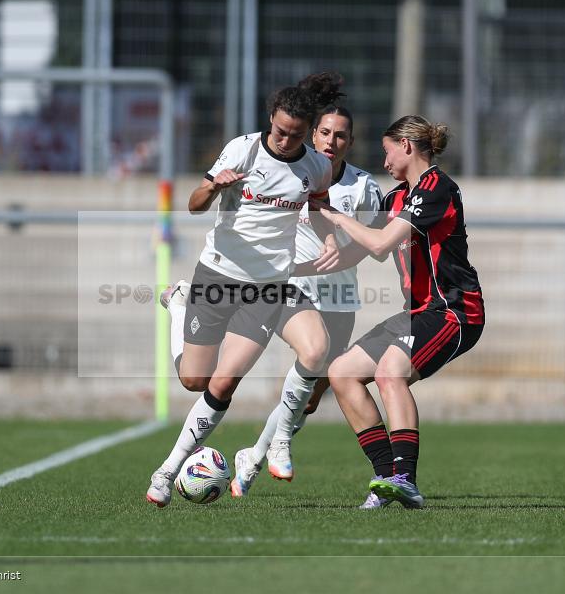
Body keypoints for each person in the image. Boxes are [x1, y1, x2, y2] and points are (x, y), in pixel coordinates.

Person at [146, 73, 346, 507]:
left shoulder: (316, 166)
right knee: (193, 380)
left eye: (296, 135)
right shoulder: (243, 149)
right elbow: (194, 205)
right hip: (218, 276)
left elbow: (320, 206)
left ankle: (166, 471)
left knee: (222, 385)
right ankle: (179, 304)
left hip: (267, 290)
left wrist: (330, 237)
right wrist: (212, 187)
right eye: (280, 131)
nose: (286, 141)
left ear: (307, 132)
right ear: (270, 119)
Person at [305, 115, 484, 509]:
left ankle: (405, 479)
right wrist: (292, 271)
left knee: (390, 372)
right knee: (342, 373)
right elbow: (363, 249)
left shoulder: (436, 188)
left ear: (406, 146)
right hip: (418, 312)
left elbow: (381, 243)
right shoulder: (395, 197)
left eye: (388, 152)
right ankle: (386, 479)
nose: (384, 162)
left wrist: (335, 215)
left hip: (454, 310)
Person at [230, 105, 384, 497]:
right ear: (313, 135)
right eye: (326, 132)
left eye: (341, 135)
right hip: (291, 290)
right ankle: (271, 449)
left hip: (338, 299)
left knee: (308, 401)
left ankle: (253, 455)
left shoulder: (363, 187)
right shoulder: (291, 174)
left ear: (350, 142)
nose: (332, 141)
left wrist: (340, 257)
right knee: (311, 354)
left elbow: (372, 244)